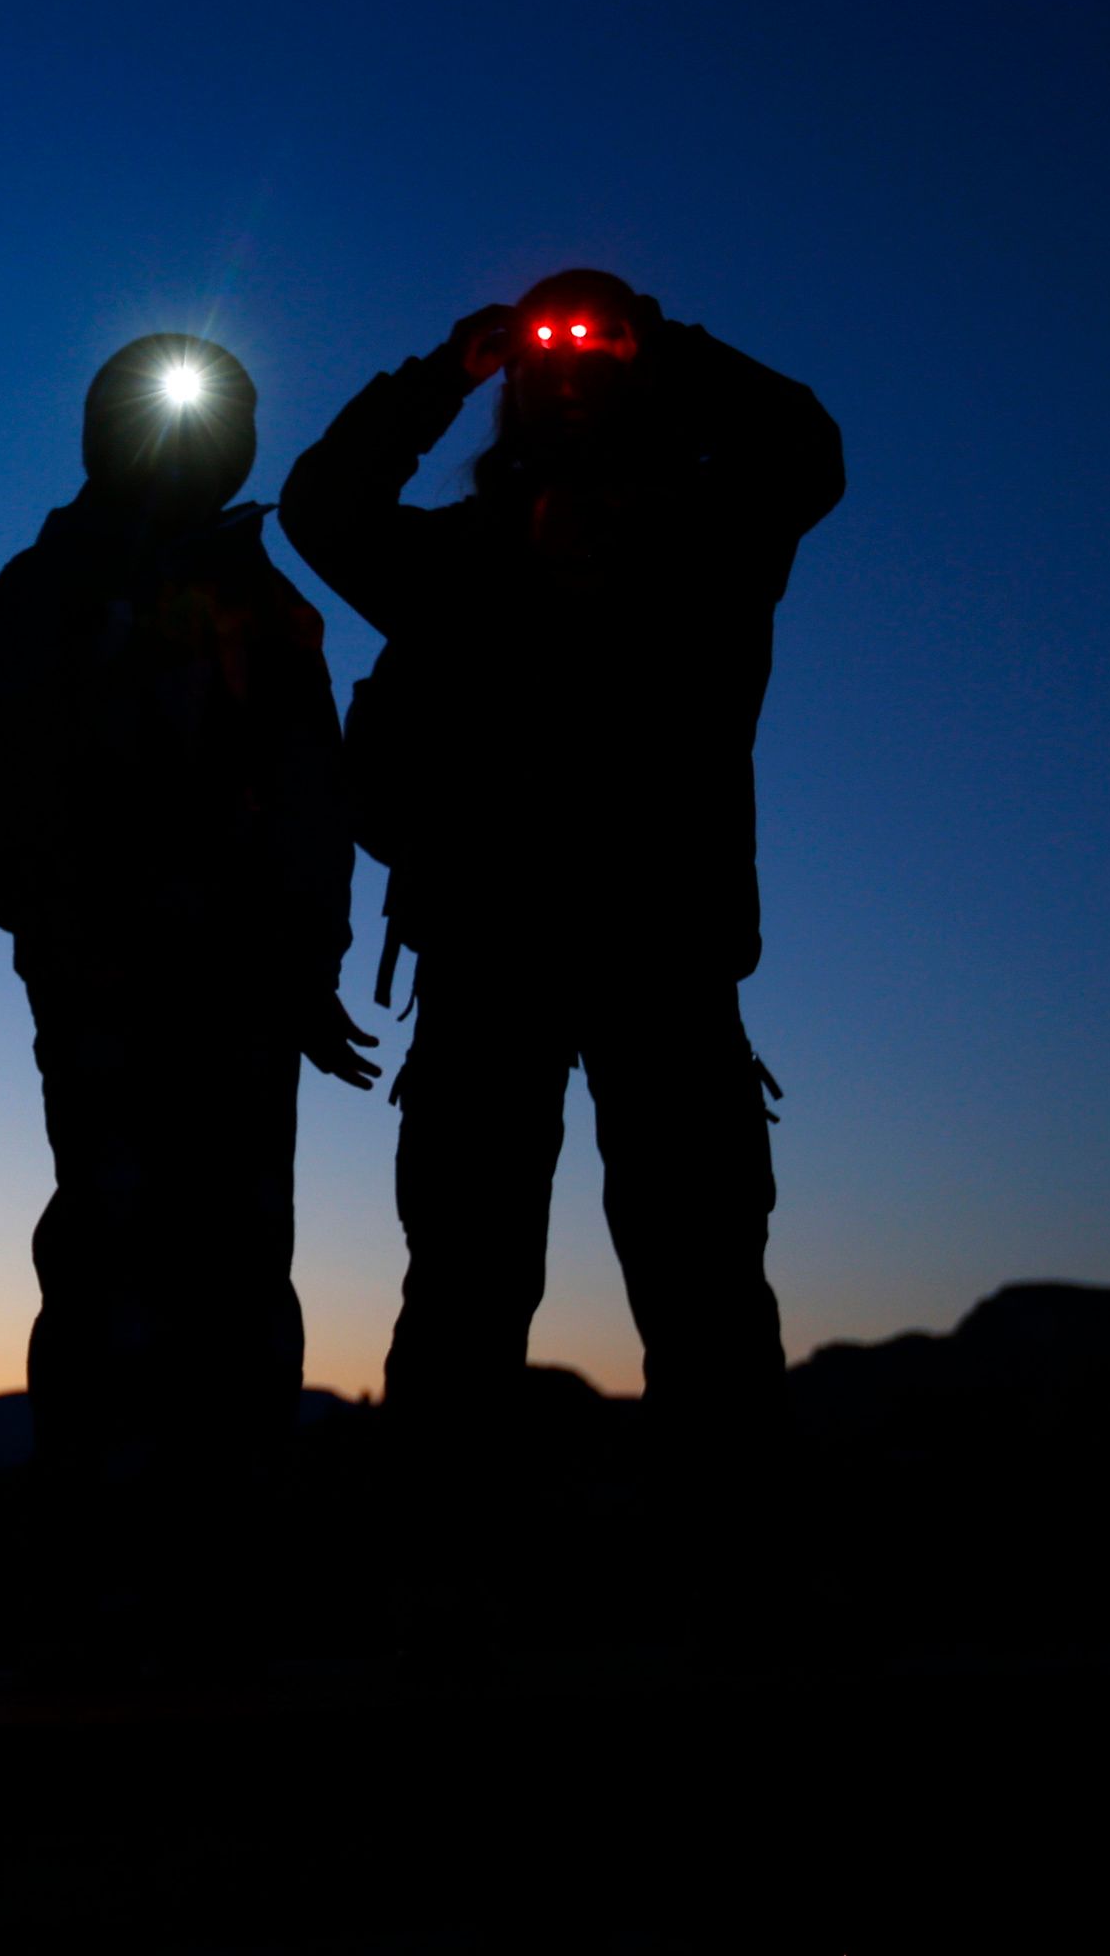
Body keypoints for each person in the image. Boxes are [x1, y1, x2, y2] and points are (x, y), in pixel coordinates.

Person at [278, 270, 843, 1527]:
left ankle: (732, 1556)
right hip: (493, 961)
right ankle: (445, 1571)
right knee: (469, 1288)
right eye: (552, 354)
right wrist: (445, 370)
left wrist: (667, 340)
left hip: (663, 959)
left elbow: (804, 452)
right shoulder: (460, 559)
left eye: (602, 351)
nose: (576, 370)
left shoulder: (708, 540)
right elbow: (319, 510)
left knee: (700, 1286)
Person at [0, 334, 376, 1649]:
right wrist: (53, 927)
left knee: (240, 1270)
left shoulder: (270, 603)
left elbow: (311, 784)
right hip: (106, 979)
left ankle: (225, 1575)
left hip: (245, 988)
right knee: (113, 1259)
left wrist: (307, 962)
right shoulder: (50, 583)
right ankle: (97, 1580)